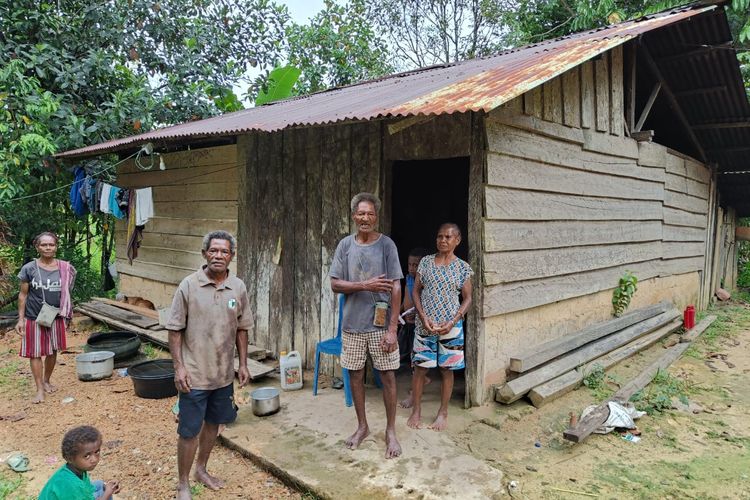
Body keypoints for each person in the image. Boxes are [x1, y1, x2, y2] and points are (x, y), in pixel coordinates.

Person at [166, 230, 253, 499]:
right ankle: (183, 482)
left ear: (231, 256)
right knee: (189, 430)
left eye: (224, 251)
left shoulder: (237, 287)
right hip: (194, 374)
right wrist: (179, 367)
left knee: (214, 423)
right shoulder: (189, 286)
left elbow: (242, 328)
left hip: (223, 374)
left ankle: (201, 469)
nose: (218, 255)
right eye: (213, 251)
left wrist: (244, 364)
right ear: (204, 254)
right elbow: (175, 329)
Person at [330, 192, 404, 459]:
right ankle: (362, 426)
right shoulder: (344, 246)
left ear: (376, 216)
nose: (365, 218)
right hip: (352, 325)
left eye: (370, 214)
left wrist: (393, 329)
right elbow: (335, 283)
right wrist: (365, 285)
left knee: (387, 376)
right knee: (355, 375)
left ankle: (391, 431)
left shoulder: (387, 246)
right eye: (361, 213)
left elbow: (396, 286)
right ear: (353, 216)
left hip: (381, 326)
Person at [407, 223, 473, 432]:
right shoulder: (425, 262)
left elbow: (468, 298)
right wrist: (423, 316)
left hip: (450, 327)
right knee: (420, 369)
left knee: (446, 369)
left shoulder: (462, 267)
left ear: (457, 240)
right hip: (425, 325)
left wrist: (453, 321)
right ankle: (416, 410)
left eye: (448, 237)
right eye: (439, 236)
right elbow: (416, 292)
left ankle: (443, 412)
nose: (443, 240)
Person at [15, 232, 76, 404]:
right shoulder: (29, 269)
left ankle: (47, 380)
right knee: (35, 353)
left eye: (51, 245)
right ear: (37, 247)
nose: (48, 248)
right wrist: (21, 319)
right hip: (33, 316)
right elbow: (22, 295)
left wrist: (67, 314)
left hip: (55, 316)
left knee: (53, 350)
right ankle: (39, 388)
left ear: (56, 247)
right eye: (44, 245)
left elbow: (68, 293)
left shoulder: (64, 268)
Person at [39, 425, 120, 500]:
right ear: (69, 458)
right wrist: (108, 493)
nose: (94, 459)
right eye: (87, 456)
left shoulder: (76, 470)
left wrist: (108, 486)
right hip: (70, 492)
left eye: (97, 452)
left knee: (100, 484)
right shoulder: (69, 485)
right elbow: (74, 489)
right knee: (105, 492)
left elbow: (88, 488)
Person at [398, 247, 430, 408]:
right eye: (410, 264)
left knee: (415, 359)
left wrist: (417, 315)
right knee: (409, 355)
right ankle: (423, 380)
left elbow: (425, 303)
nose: (412, 268)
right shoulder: (408, 279)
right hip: (408, 324)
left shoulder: (424, 282)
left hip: (418, 325)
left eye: (416, 265)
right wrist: (400, 314)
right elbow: (405, 300)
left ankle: (414, 392)